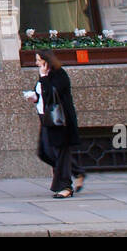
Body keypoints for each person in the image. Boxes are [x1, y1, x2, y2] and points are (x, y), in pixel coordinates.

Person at [30, 50, 84, 198]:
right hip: (47, 119)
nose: (36, 63)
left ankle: (65, 187)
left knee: (61, 153)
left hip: (60, 121)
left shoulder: (59, 74)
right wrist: (35, 97)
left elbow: (53, 93)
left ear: (47, 60)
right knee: (44, 152)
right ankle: (77, 171)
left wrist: (43, 77)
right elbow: (42, 94)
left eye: (39, 60)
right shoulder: (45, 74)